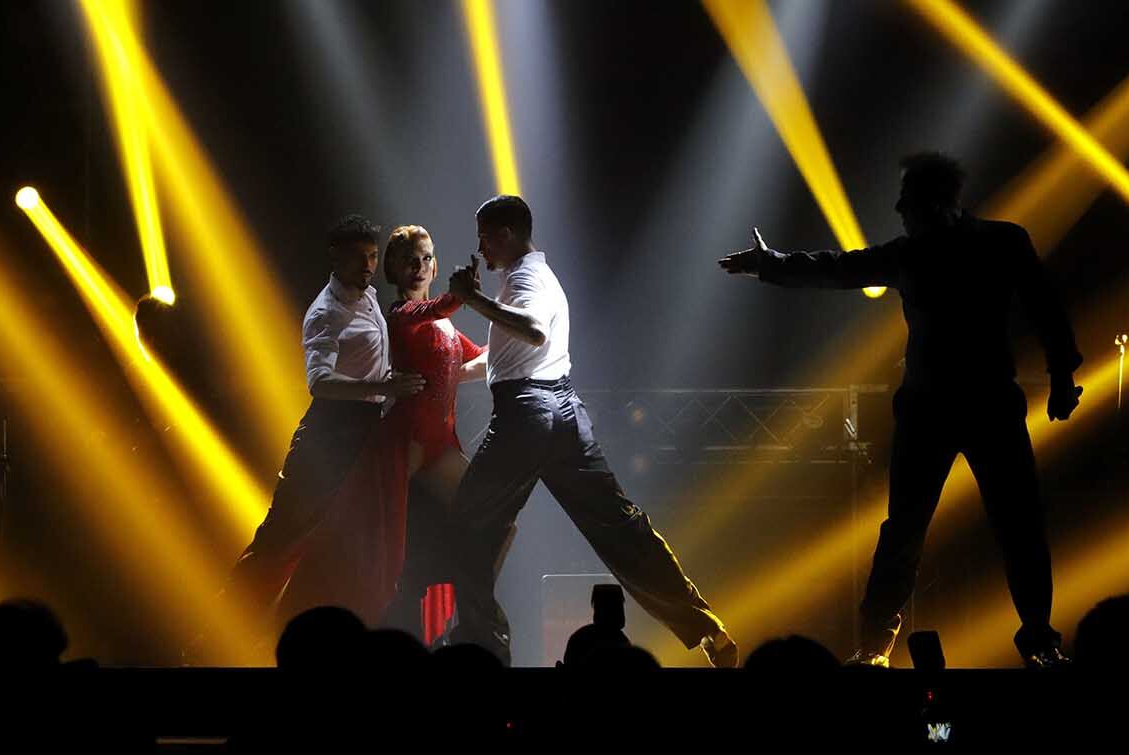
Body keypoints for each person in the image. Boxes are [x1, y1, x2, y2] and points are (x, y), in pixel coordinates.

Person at [719, 152, 1081, 668]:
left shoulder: (929, 252)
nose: (897, 207)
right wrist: (1063, 373)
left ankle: (876, 652)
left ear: (931, 202)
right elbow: (1047, 307)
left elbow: (840, 270)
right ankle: (1037, 643)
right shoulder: (998, 242)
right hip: (975, 406)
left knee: (915, 532)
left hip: (938, 409)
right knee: (1003, 525)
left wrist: (770, 265)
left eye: (906, 199)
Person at [446, 195, 737, 667]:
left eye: (484, 235)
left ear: (506, 234)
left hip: (528, 415)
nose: (479, 247)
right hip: (561, 411)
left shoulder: (526, 278)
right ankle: (705, 627)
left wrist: (471, 300)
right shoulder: (530, 278)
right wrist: (452, 373)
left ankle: (485, 654)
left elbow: (534, 332)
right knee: (618, 526)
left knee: (467, 523)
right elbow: (508, 356)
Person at [208, 215, 424, 656]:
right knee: (281, 537)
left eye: (371, 256)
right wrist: (385, 387)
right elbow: (319, 383)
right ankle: (218, 634)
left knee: (345, 546)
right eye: (358, 257)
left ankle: (314, 643)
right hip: (329, 429)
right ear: (335, 256)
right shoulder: (325, 312)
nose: (367, 265)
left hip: (364, 432)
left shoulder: (368, 298)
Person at [283, 225, 490, 636]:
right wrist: (460, 297)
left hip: (442, 440)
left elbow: (478, 362)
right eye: (409, 260)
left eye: (427, 259)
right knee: (383, 548)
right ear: (393, 270)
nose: (420, 267)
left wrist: (511, 332)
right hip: (405, 437)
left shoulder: (446, 324)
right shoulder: (399, 315)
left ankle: (471, 607)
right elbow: (430, 311)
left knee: (494, 518)